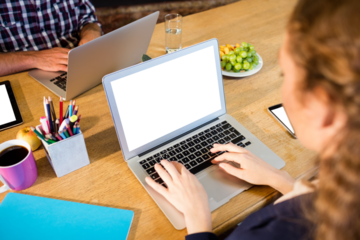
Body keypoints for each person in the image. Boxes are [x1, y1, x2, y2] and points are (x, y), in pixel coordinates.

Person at [145, 0, 360, 239]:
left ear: (323, 108)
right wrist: (281, 180)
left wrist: (198, 220)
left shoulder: (270, 231)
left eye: (285, 74)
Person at [0, 0, 102, 77]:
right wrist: (35, 58)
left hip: (79, 63)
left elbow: (88, 20)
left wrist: (91, 34)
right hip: (23, 75)